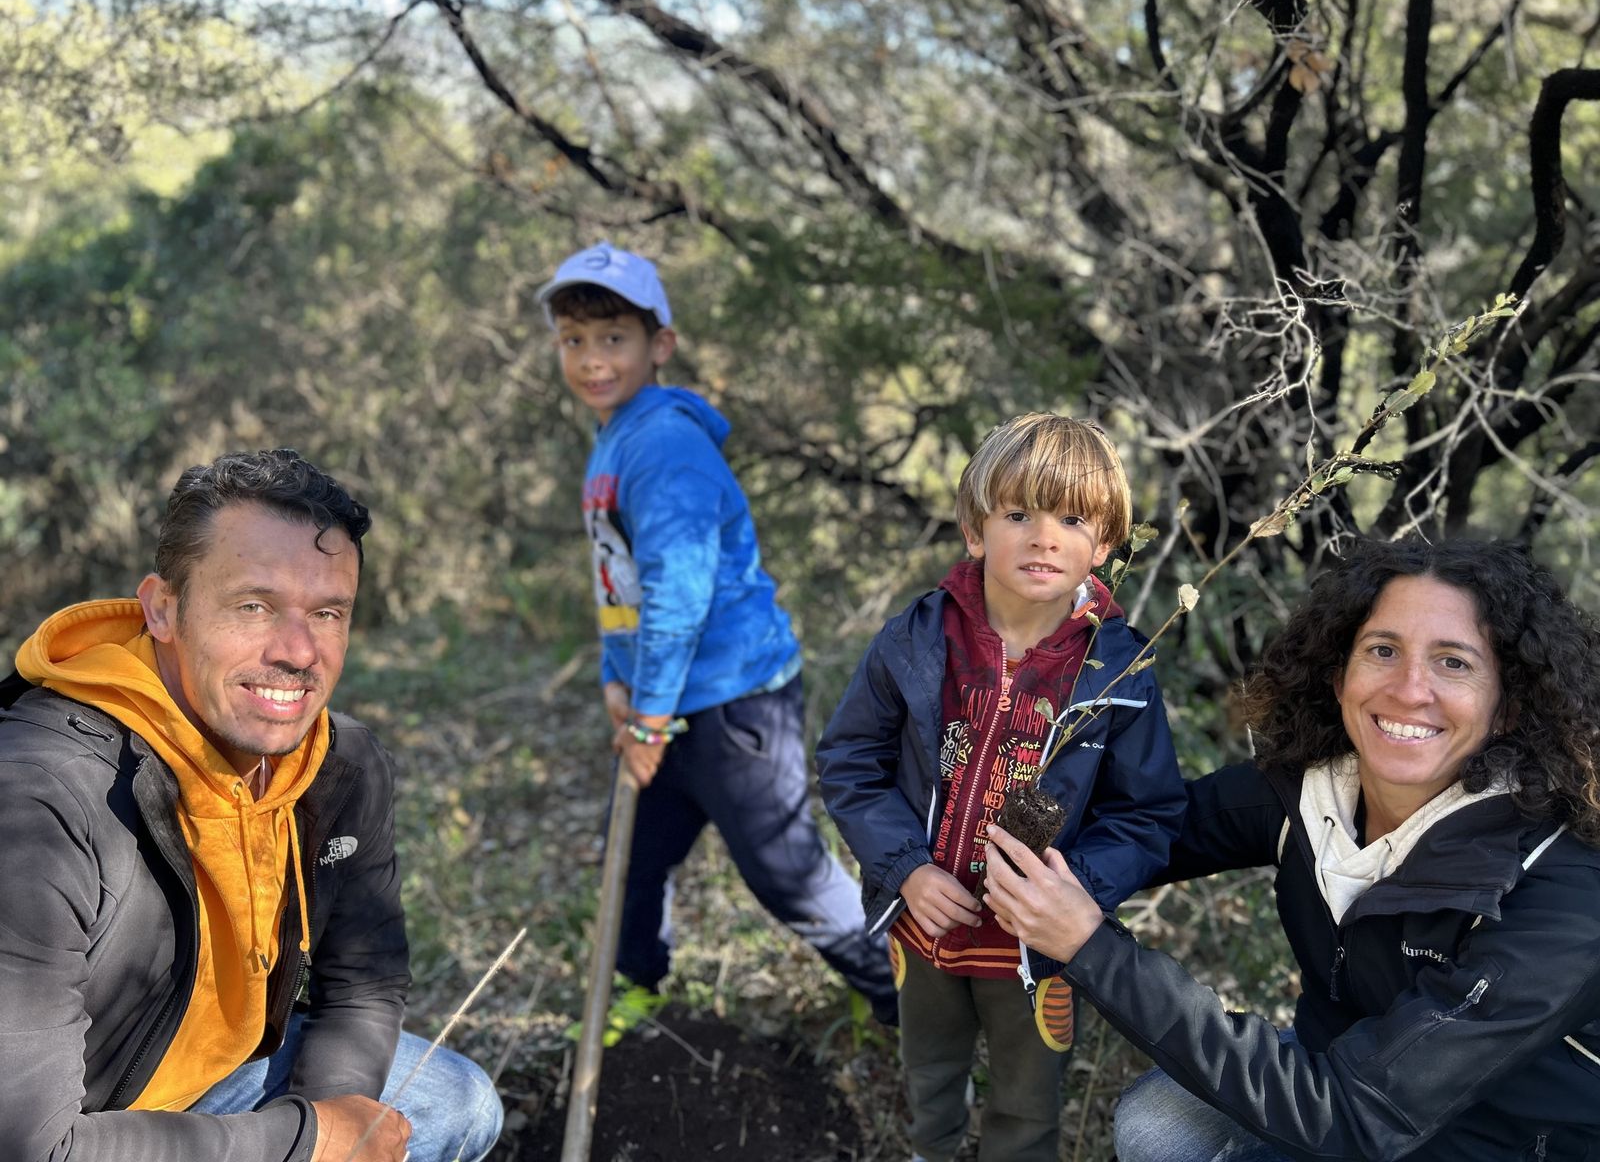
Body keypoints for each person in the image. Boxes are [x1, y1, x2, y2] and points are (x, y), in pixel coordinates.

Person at [984, 536, 1600, 1162]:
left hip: (1497, 1140)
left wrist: (1092, 948)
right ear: (1339, 676)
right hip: (1344, 1090)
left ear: (1509, 706)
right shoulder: (1308, 794)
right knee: (1157, 1123)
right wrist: (995, 797)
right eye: (1382, 651)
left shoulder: (1559, 889)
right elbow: (1148, 829)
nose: (1410, 690)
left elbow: (1356, 1118)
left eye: (1455, 663)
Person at [0, 449, 503, 1162]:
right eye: (255, 606)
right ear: (163, 609)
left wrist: (334, 1123)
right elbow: (31, 1146)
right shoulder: (39, 798)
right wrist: (299, 1143)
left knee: (453, 1101)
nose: (299, 651)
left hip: (201, 1094)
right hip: (70, 1125)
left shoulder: (338, 766)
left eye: (327, 612)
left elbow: (362, 984)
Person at [537, 241, 897, 1023]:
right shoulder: (616, 436)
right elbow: (619, 581)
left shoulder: (663, 444)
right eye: (575, 340)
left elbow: (679, 593)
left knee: (789, 877)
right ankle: (633, 991)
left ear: (659, 344)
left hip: (733, 706)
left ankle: (909, 1002)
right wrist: (614, 676)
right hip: (662, 703)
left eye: (613, 339)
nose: (593, 359)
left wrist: (649, 717)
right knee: (634, 861)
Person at [816, 412, 1186, 1162]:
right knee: (930, 1070)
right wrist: (904, 870)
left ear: (1104, 546)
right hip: (926, 924)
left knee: (1026, 1099)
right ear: (976, 530)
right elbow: (851, 759)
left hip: (1034, 945)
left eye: (1071, 517)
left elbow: (1147, 812)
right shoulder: (917, 641)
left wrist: (1070, 893)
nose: (1044, 535)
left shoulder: (1117, 673)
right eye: (1018, 513)